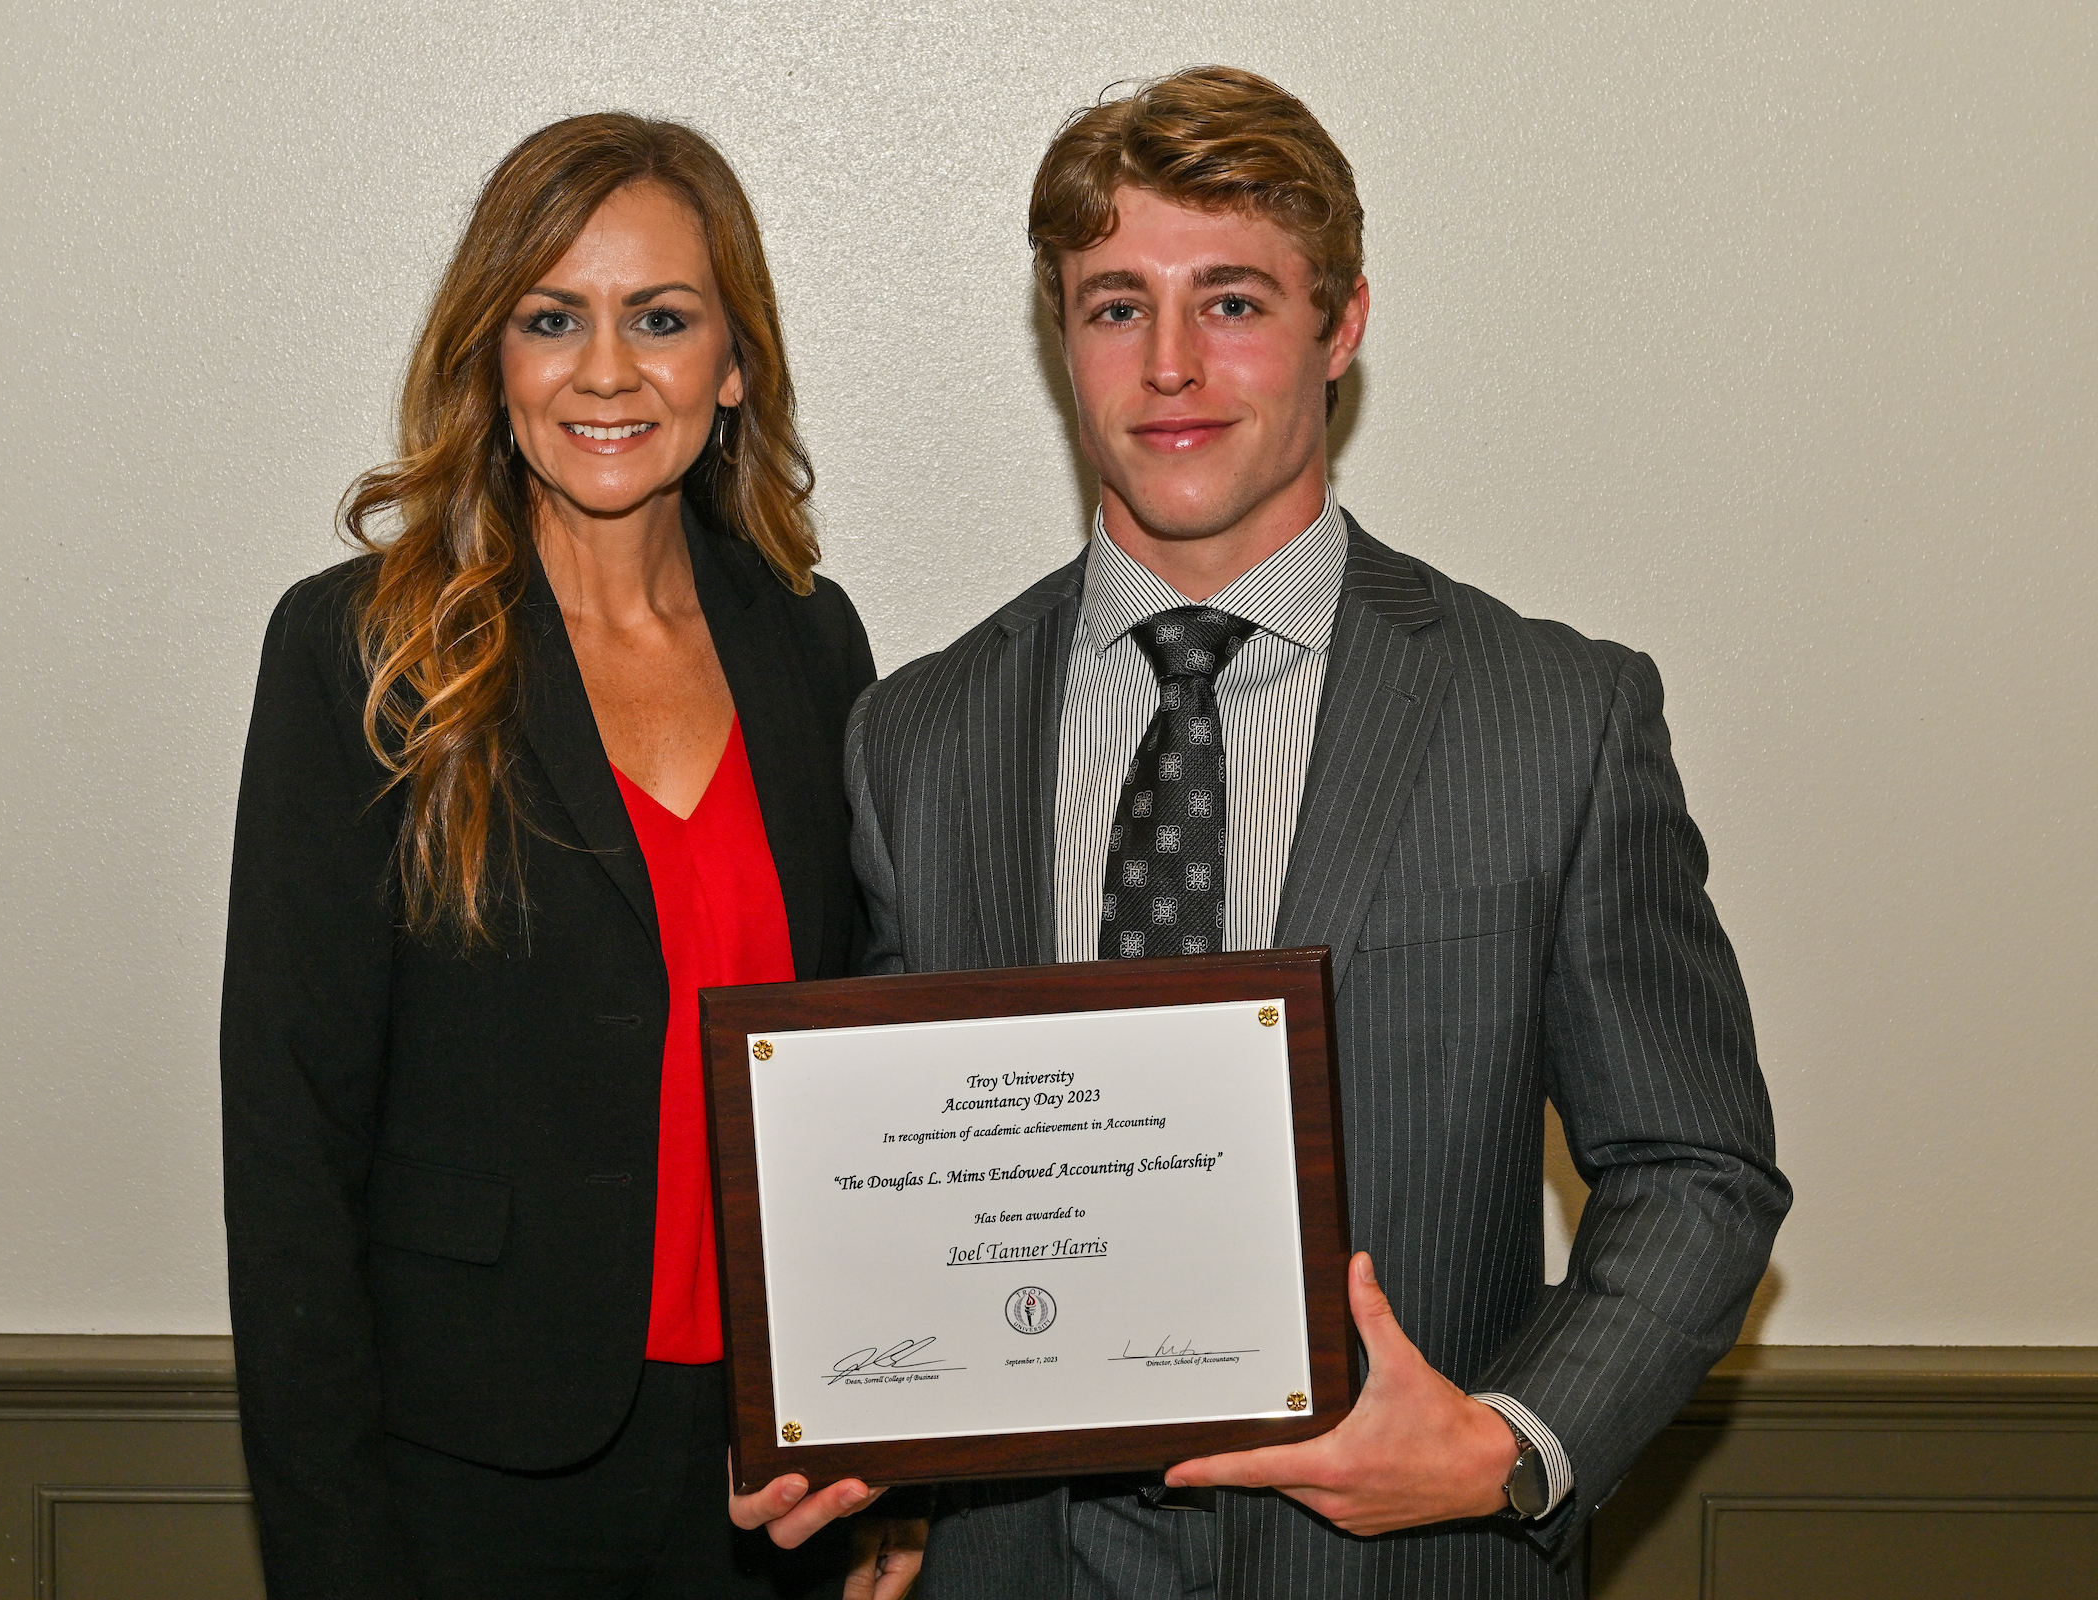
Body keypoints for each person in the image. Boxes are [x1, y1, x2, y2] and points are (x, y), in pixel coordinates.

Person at [748, 66, 1790, 1597]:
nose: (1170, 364)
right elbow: (910, 1169)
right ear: (1062, 338)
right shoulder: (916, 737)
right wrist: (866, 1421)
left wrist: (1510, 1445)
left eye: (1231, 302)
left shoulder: (1555, 719)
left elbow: (1696, 1166)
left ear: (1341, 324)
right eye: (1117, 307)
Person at [222, 113, 880, 1599]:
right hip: (466, 1471)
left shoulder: (813, 642)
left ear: (734, 363)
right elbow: (290, 1141)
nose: (605, 370)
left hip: (772, 1472)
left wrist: (887, 1445)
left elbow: (859, 1064)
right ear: (492, 358)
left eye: (662, 318)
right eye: (550, 318)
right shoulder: (363, 653)